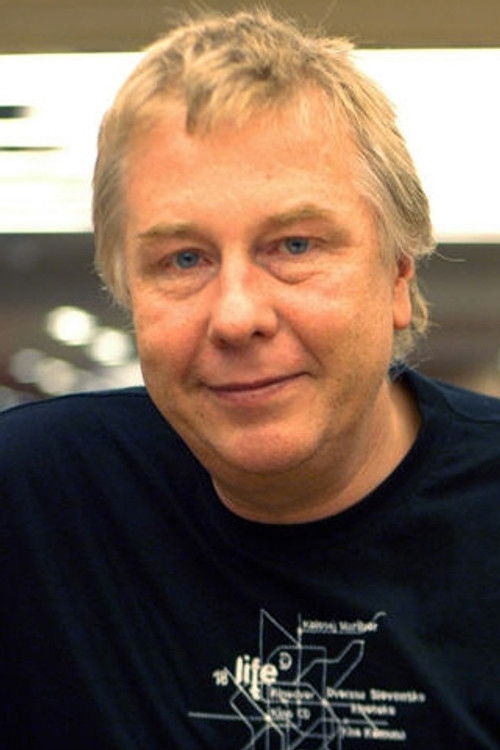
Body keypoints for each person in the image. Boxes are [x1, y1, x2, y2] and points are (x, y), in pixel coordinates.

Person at [1, 9, 499, 749]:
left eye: (294, 245)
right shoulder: (33, 506)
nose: (236, 317)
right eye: (183, 260)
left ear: (398, 276)